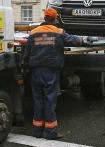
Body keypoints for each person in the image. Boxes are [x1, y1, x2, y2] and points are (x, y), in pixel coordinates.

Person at [23, 8, 84, 140]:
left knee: (38, 100)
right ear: (55, 18)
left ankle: (37, 132)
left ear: (45, 18)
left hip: (36, 71)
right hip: (50, 71)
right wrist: (83, 39)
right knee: (50, 99)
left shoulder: (33, 32)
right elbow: (75, 41)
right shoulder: (58, 32)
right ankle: (50, 133)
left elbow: (26, 53)